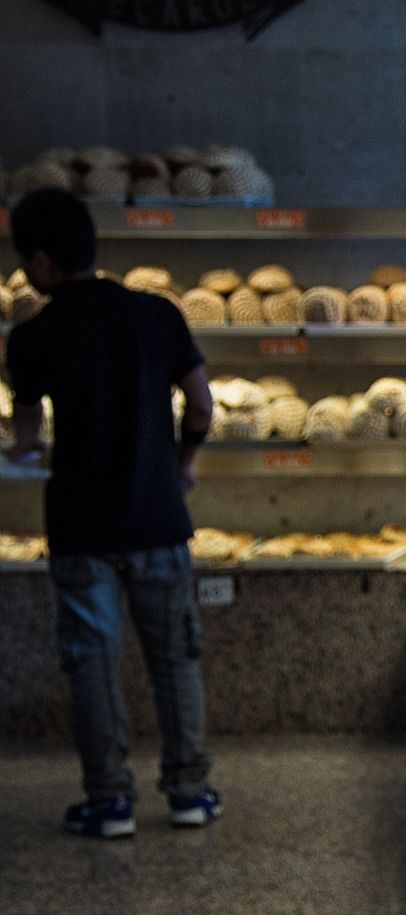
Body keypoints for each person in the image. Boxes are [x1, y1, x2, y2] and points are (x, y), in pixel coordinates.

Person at [4, 188, 220, 838]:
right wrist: (181, 462)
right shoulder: (157, 314)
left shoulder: (33, 336)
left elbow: (26, 437)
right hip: (156, 512)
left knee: (92, 661)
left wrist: (26, 444)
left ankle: (110, 800)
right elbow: (203, 404)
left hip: (80, 522)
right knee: (174, 658)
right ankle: (189, 791)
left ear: (41, 262)